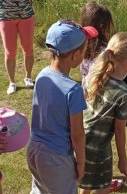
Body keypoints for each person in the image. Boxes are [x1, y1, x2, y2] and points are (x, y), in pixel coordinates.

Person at [26, 20, 98, 193]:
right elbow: (78, 134)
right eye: (84, 50)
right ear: (75, 56)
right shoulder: (73, 90)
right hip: (56, 159)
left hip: (34, 149)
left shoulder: (42, 75)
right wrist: (81, 163)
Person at [79, 32, 127, 194]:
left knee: (85, 179)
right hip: (97, 147)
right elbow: (119, 130)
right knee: (104, 186)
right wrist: (122, 158)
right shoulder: (125, 94)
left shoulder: (94, 74)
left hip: (78, 138)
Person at [0, 0, 35, 95]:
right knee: (9, 52)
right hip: (5, 18)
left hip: (26, 16)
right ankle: (12, 82)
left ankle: (28, 77)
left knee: (28, 49)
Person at [80, 2, 113, 87]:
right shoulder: (105, 51)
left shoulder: (80, 44)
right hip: (97, 93)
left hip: (86, 91)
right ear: (102, 26)